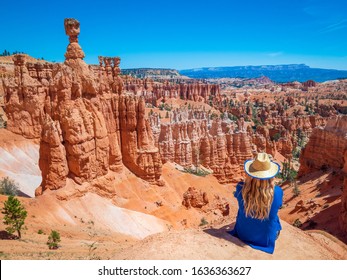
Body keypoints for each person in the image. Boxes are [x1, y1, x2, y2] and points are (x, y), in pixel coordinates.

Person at [229, 152, 283, 254]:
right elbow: (279, 206)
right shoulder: (278, 192)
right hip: (265, 240)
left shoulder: (240, 188)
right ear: (270, 174)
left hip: (242, 234)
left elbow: (237, 196)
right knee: (274, 217)